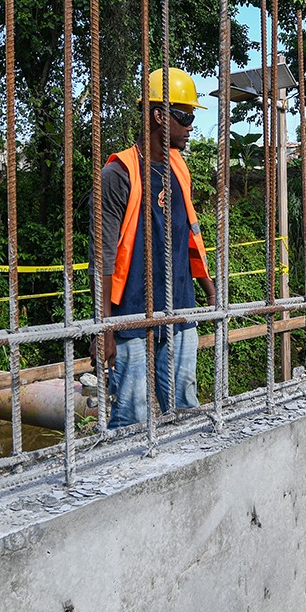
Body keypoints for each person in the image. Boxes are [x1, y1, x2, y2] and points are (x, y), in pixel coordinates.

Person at [94, 67, 216, 431]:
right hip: (130, 314)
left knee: (185, 410)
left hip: (180, 309)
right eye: (186, 116)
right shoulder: (119, 174)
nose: (191, 124)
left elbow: (189, 233)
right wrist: (105, 328)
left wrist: (210, 290)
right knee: (132, 417)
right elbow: (102, 255)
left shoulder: (180, 169)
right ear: (160, 116)